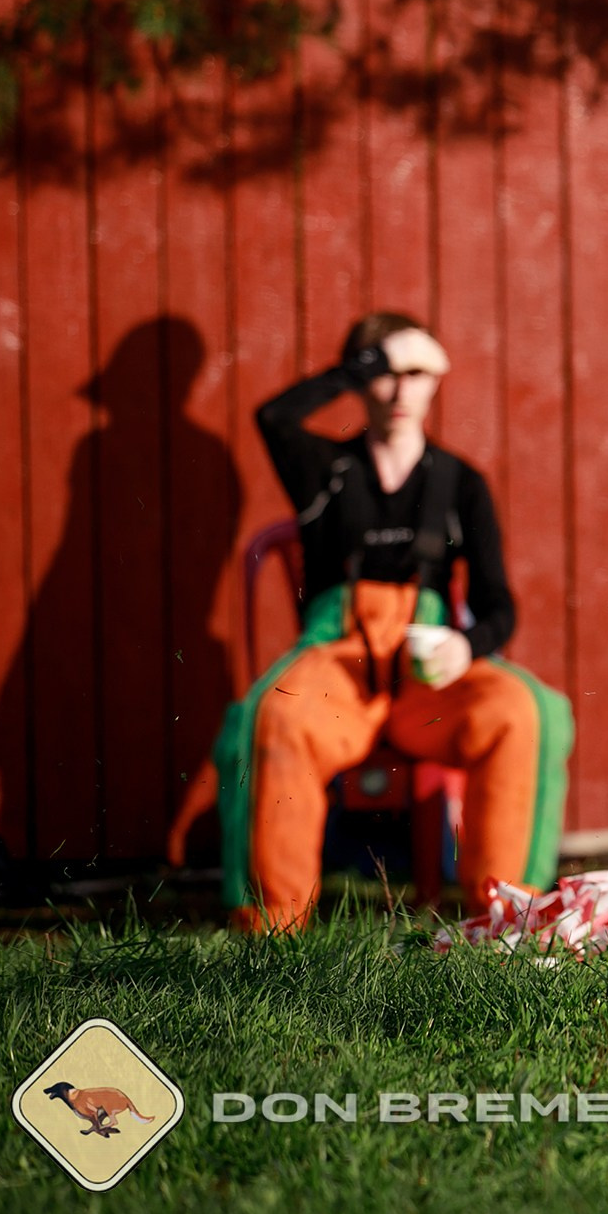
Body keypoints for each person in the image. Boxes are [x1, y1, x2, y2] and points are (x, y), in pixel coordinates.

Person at [214, 315, 572, 933]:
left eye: (417, 374)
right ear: (361, 380)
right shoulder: (323, 469)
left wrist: (466, 645)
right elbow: (273, 416)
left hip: (427, 679)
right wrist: (367, 362)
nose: (400, 392)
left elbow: (498, 606)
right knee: (270, 718)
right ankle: (270, 926)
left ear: (436, 382)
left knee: (528, 709)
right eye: (384, 375)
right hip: (339, 666)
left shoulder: (462, 484)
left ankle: (508, 915)